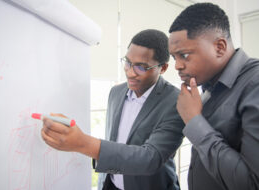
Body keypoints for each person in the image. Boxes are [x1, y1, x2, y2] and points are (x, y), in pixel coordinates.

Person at [41, 29, 184, 190]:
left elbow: (149, 159)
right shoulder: (116, 93)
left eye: (141, 67)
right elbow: (116, 142)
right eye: (128, 62)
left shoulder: (177, 102)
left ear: (163, 68)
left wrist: (82, 143)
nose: (130, 72)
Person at [168, 2, 259, 190]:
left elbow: (252, 184)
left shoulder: (255, 83)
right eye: (173, 57)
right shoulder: (208, 84)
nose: (177, 66)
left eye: (184, 55)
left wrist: (194, 121)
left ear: (219, 47)